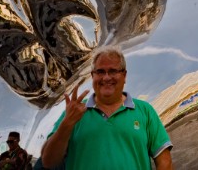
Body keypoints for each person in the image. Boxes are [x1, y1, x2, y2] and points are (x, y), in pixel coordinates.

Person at [40, 45, 172, 170]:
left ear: (124, 75)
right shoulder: (74, 112)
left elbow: (165, 162)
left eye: (113, 71)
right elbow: (48, 161)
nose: (106, 77)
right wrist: (67, 123)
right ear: (92, 76)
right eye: (100, 72)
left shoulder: (145, 110)